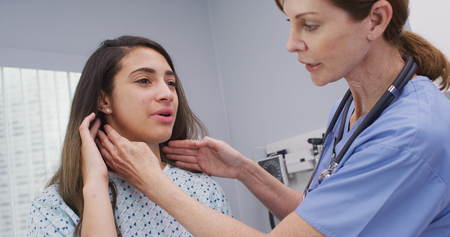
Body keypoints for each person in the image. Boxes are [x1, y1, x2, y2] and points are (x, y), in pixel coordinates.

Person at [96, 0, 450, 236]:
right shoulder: (351, 111)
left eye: (309, 25)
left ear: (375, 20)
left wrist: (153, 183)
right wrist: (244, 171)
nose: (291, 43)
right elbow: (323, 218)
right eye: (290, 24)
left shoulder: (409, 134)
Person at [26, 35, 232, 236]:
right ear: (103, 100)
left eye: (171, 83)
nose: (168, 94)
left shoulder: (205, 190)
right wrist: (96, 183)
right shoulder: (54, 205)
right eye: (144, 80)